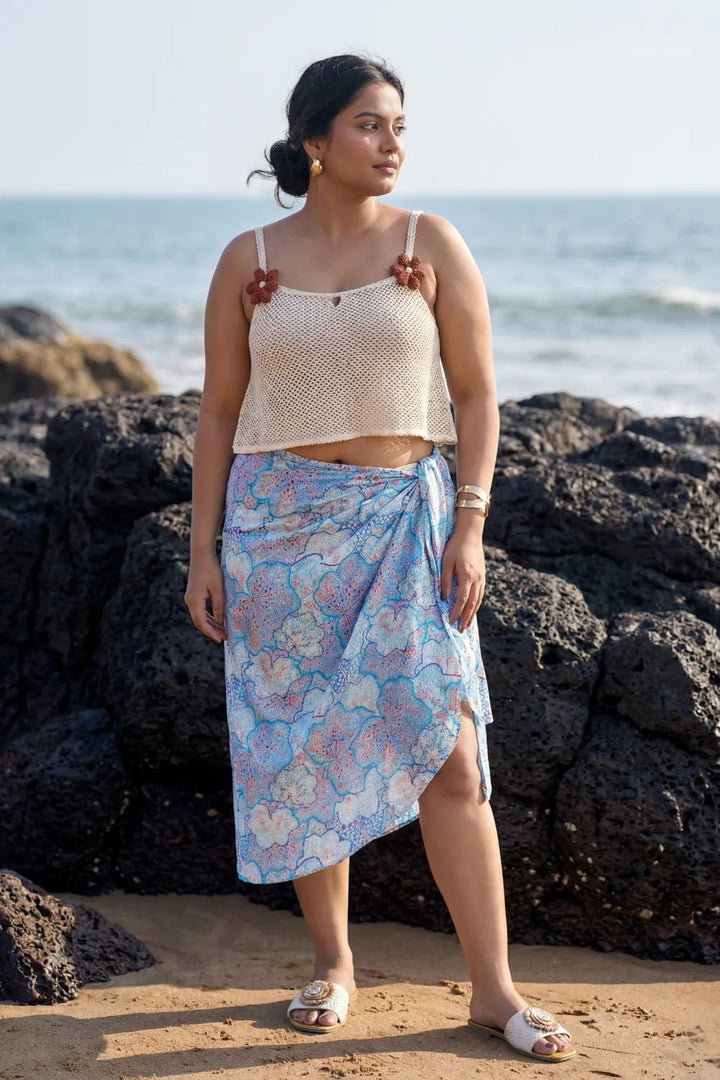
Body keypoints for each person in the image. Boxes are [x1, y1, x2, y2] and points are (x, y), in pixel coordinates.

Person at [185, 52, 576, 1065]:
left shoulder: (428, 242)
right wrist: (203, 551)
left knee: (452, 751)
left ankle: (493, 991)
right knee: (303, 752)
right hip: (278, 534)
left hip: (407, 521)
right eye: (370, 124)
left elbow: (477, 396)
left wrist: (470, 523)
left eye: (399, 124)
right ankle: (334, 964)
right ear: (315, 141)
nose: (393, 142)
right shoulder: (249, 259)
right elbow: (220, 412)